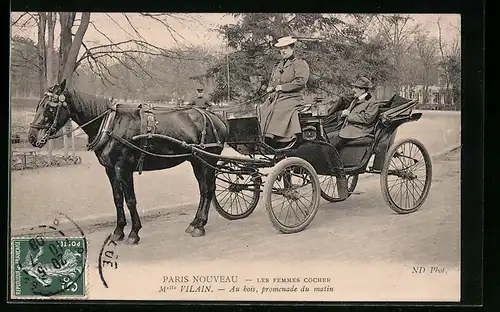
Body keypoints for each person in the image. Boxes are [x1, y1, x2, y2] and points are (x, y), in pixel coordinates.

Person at [259, 36, 310, 144]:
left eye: (285, 48)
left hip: (293, 97)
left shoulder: (300, 63)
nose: (283, 51)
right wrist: (270, 87)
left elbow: (301, 81)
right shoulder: (277, 65)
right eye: (281, 49)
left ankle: (276, 137)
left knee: (277, 109)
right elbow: (273, 80)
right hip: (278, 96)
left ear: (292, 49)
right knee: (262, 108)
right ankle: (262, 136)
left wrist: (283, 87)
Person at [328, 77, 380, 150]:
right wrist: (342, 114)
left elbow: (367, 118)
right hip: (349, 128)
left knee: (332, 139)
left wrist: (348, 115)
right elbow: (347, 112)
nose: (353, 90)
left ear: (362, 90)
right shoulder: (355, 100)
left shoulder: (372, 102)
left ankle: (331, 159)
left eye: (356, 88)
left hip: (360, 130)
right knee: (326, 135)